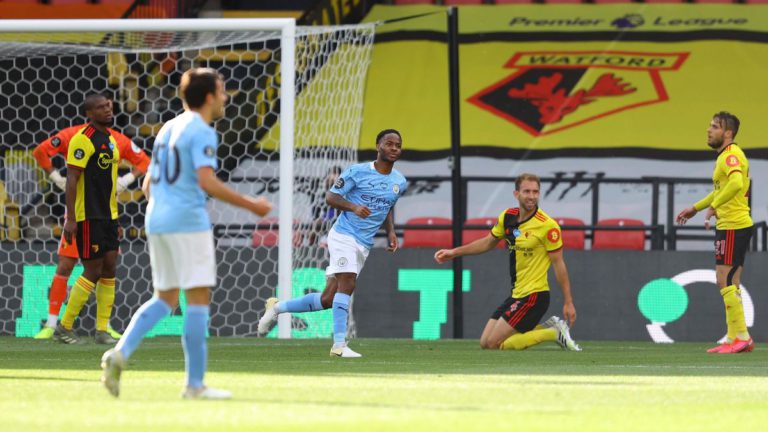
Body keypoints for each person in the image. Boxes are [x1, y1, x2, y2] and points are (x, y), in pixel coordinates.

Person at [100, 68, 272, 399]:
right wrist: (251, 205)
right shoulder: (202, 131)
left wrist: (167, 204)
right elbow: (206, 181)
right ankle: (194, 384)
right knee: (197, 300)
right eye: (221, 91)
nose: (225, 97)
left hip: (157, 219)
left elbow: (148, 184)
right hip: (187, 221)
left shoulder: (168, 128)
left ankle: (120, 353)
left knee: (164, 298)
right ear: (209, 97)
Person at [258, 129, 407, 358]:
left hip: (363, 243)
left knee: (328, 299)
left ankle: (276, 308)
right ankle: (339, 345)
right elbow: (331, 197)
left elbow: (386, 206)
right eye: (389, 143)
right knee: (348, 282)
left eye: (398, 145)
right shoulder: (357, 172)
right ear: (378, 146)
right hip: (343, 235)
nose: (394, 148)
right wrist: (354, 207)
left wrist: (391, 232)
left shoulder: (399, 181)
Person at [32, 110, 149, 341]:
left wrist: (125, 180)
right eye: (103, 106)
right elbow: (40, 152)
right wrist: (56, 178)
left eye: (110, 106)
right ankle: (53, 323)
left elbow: (145, 161)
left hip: (107, 213)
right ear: (91, 112)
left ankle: (102, 327)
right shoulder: (74, 135)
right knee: (67, 264)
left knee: (107, 266)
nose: (108, 110)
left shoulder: (117, 139)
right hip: (78, 212)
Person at [434, 173, 580, 351]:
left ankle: (552, 333)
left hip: (534, 295)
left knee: (493, 344)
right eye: (527, 191)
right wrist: (454, 252)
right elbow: (488, 242)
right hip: (517, 294)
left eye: (535, 192)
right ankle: (548, 328)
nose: (532, 196)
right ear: (516, 194)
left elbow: (559, 264)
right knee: (485, 343)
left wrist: (568, 301)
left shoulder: (548, 226)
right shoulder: (507, 217)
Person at [676, 111, 754, 354]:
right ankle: (734, 337)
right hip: (733, 224)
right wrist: (696, 208)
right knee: (730, 281)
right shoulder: (727, 155)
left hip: (733, 225)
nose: (709, 130)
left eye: (715, 127)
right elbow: (721, 189)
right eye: (710, 126)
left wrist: (714, 207)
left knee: (724, 280)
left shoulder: (730, 156)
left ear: (728, 133)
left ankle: (742, 337)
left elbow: (736, 184)